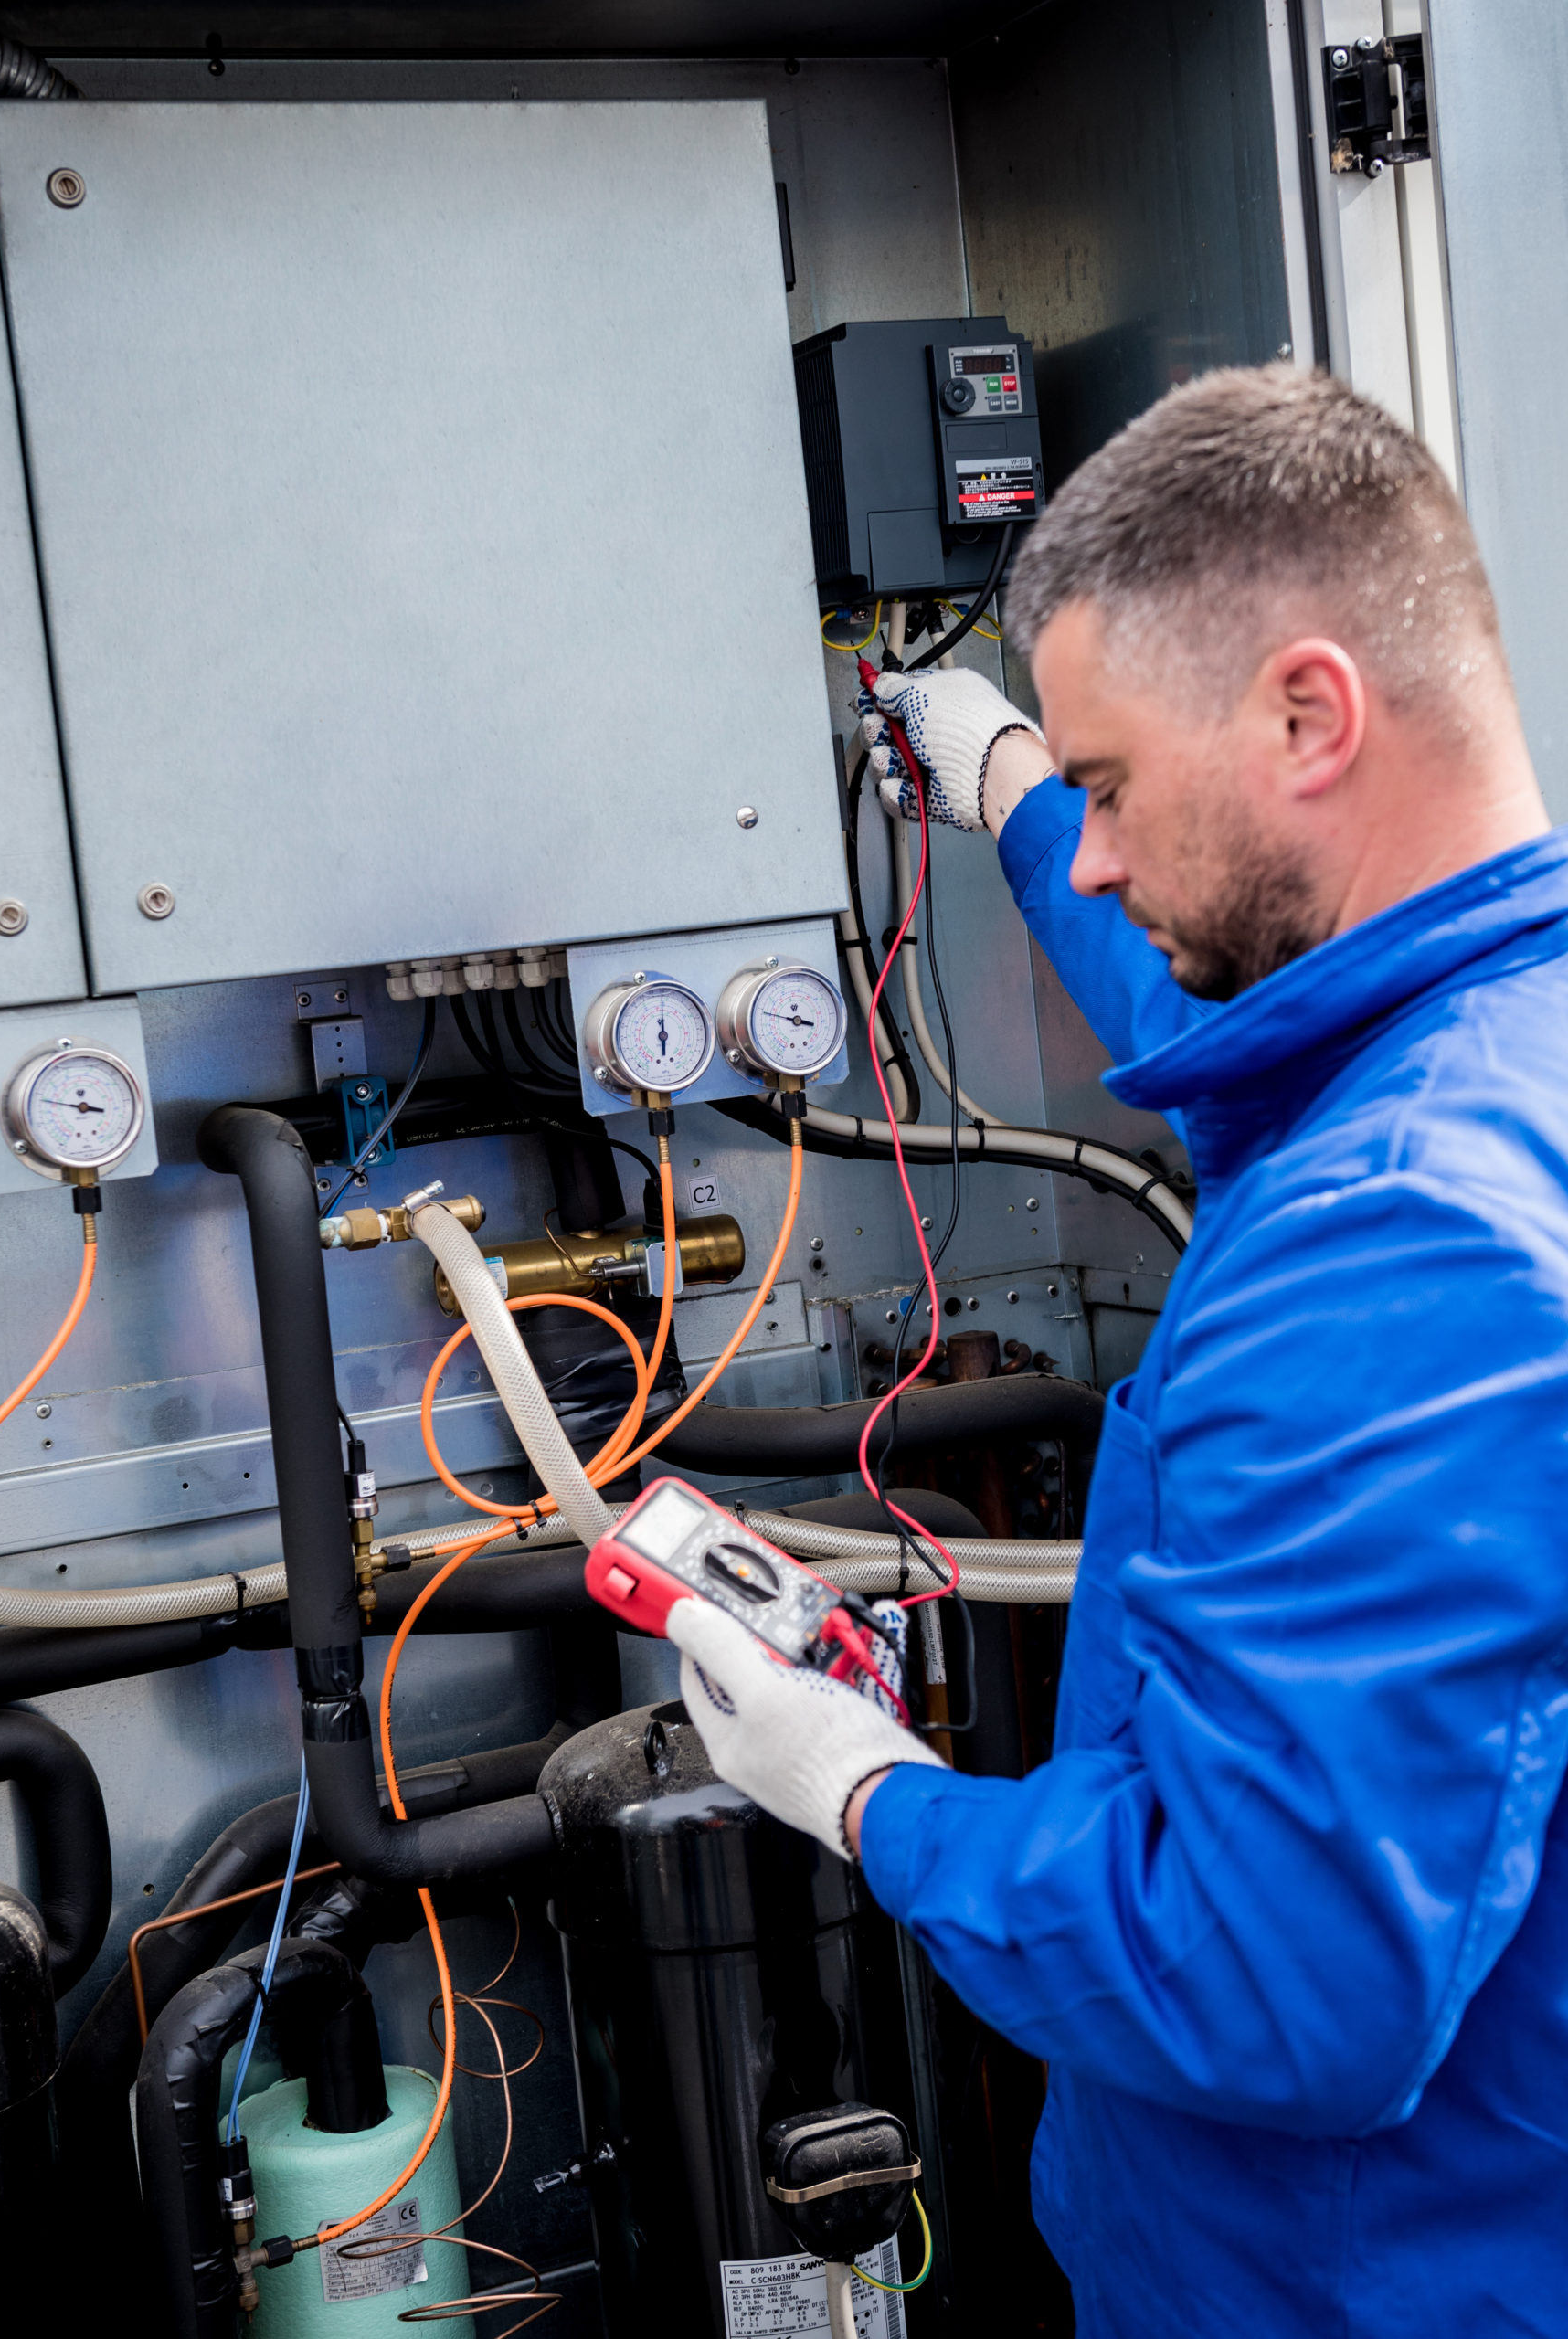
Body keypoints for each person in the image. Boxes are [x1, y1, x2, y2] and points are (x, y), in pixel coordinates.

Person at [671, 364, 1568, 2336]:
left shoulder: (1392, 1240)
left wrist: (863, 1792)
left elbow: (1266, 1977)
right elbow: (1243, 1033)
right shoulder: (1497, 1038)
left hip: (1353, 2281)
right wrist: (994, 776)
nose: (1086, 859)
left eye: (1107, 787)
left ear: (1303, 715)